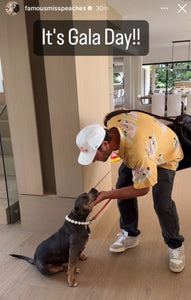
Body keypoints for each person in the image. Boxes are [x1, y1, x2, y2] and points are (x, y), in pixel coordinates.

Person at [76, 110, 185, 273]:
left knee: (162, 203)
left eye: (94, 155)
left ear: (105, 145)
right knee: (122, 187)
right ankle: (130, 234)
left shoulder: (139, 154)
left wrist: (106, 194)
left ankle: (176, 244)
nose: (93, 160)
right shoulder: (110, 122)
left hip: (165, 154)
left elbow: (142, 190)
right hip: (143, 145)